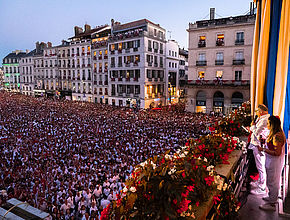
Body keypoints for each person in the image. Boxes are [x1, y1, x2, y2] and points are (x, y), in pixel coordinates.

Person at [258, 116, 286, 211]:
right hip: (271, 161)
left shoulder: (277, 136)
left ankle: (272, 203)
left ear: (273, 125)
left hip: (274, 162)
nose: (267, 125)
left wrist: (263, 149)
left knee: (272, 181)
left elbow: (277, 153)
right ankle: (271, 197)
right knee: (272, 180)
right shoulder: (276, 134)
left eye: (269, 123)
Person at [249, 104, 270, 195]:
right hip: (257, 145)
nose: (256, 113)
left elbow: (257, 132)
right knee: (260, 166)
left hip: (259, 146)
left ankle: (262, 187)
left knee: (261, 166)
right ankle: (261, 182)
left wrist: (253, 127)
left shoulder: (264, 120)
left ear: (261, 111)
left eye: (257, 111)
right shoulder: (262, 119)